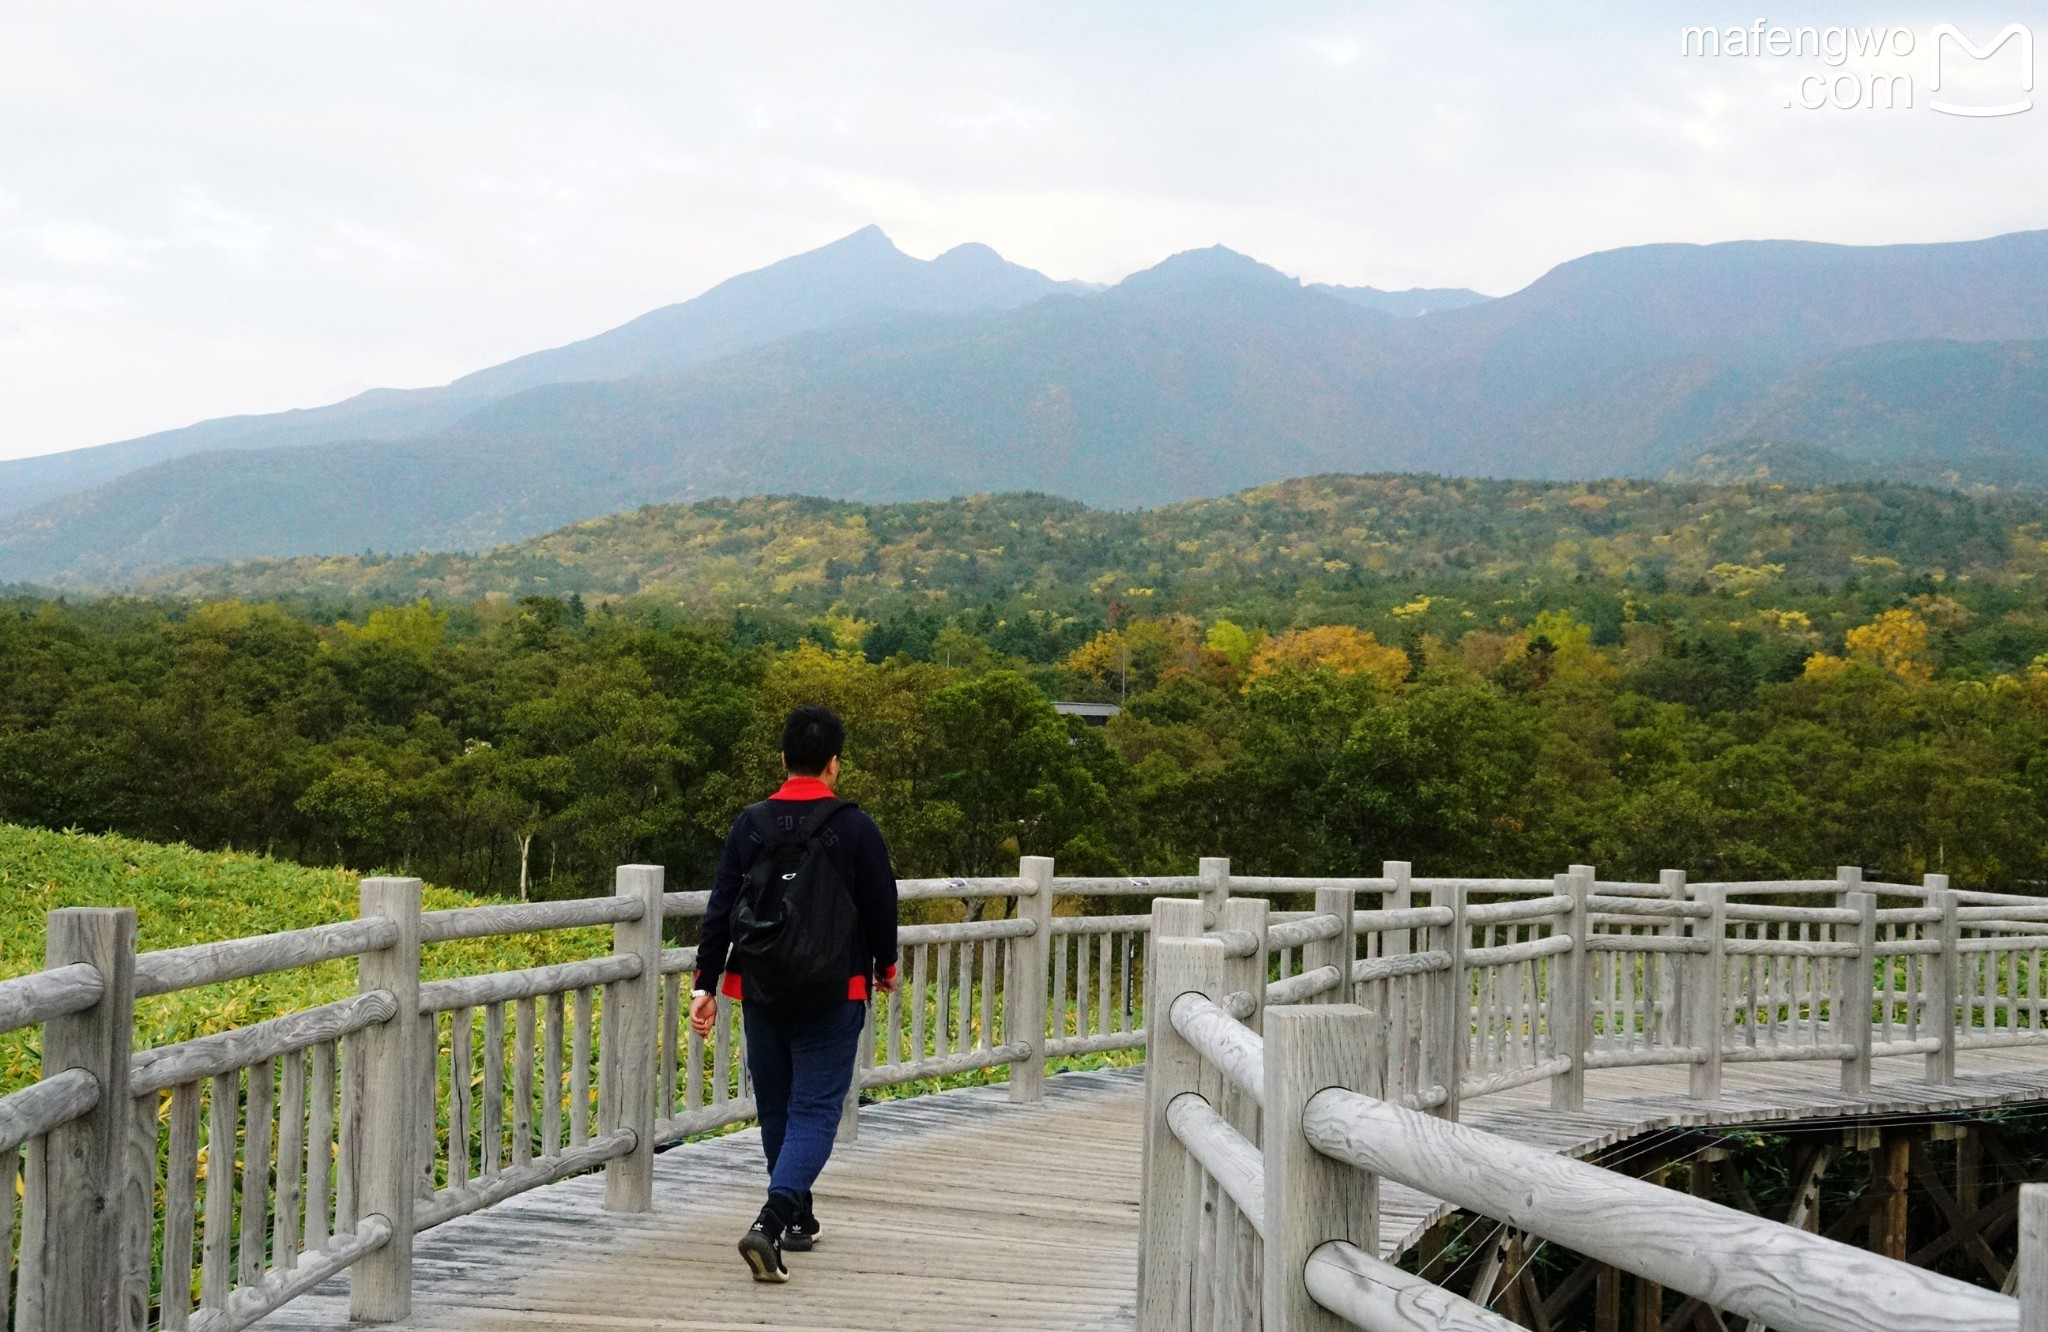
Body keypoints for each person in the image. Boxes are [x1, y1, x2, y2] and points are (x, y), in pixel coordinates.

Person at [689, 705, 899, 1283]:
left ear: (783, 760)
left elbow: (720, 909)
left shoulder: (750, 824)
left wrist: (704, 985)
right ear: (834, 764)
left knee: (779, 1108)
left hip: (759, 986)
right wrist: (886, 965)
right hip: (834, 989)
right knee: (813, 1110)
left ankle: (797, 1217)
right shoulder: (856, 827)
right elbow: (882, 907)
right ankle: (772, 1220)